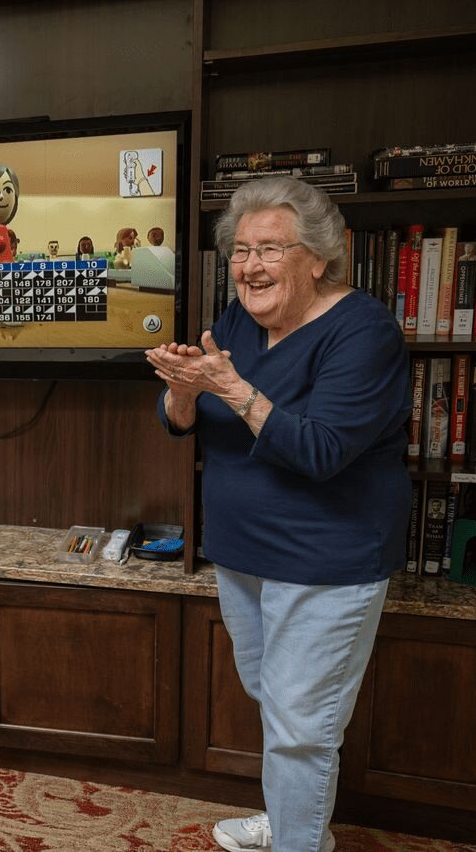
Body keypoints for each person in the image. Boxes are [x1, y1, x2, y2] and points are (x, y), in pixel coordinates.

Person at [145, 177, 410, 852]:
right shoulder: (236, 321)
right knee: (281, 707)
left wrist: (232, 386)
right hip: (243, 558)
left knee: (301, 725)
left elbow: (320, 449)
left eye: (269, 249)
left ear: (318, 257)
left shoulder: (364, 331)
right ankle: (296, 822)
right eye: (240, 251)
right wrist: (181, 392)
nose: (250, 266)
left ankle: (298, 840)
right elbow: (189, 421)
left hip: (327, 564)